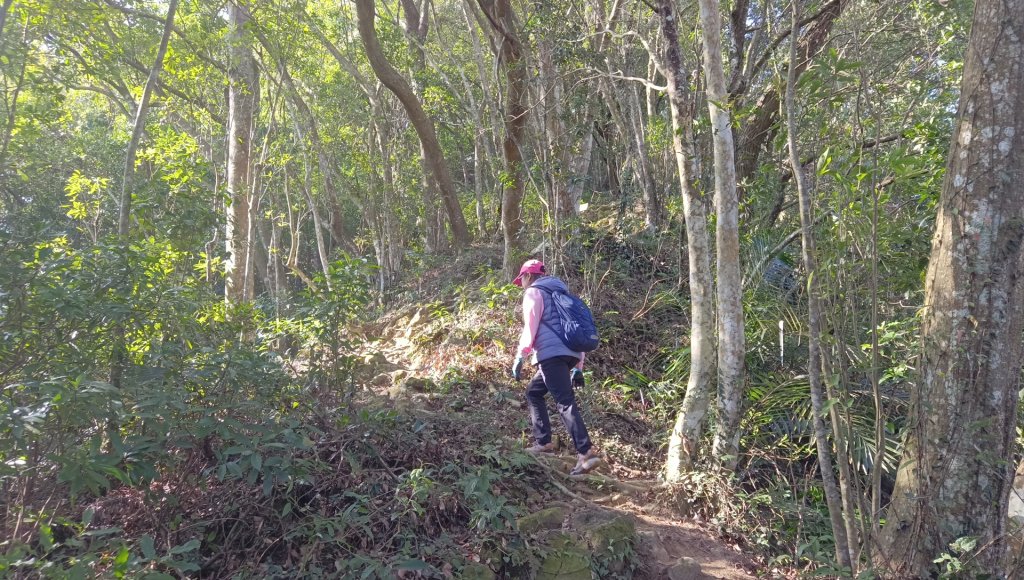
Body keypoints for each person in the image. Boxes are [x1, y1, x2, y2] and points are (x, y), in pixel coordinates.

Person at [510, 259, 601, 476]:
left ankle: (586, 452)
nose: (521, 283)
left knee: (564, 402)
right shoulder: (563, 294)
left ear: (528, 276)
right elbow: (574, 327)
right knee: (534, 392)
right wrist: (578, 366)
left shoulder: (533, 293)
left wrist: (520, 356)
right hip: (569, 354)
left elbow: (530, 328)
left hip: (550, 355)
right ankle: (544, 442)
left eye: (521, 278)